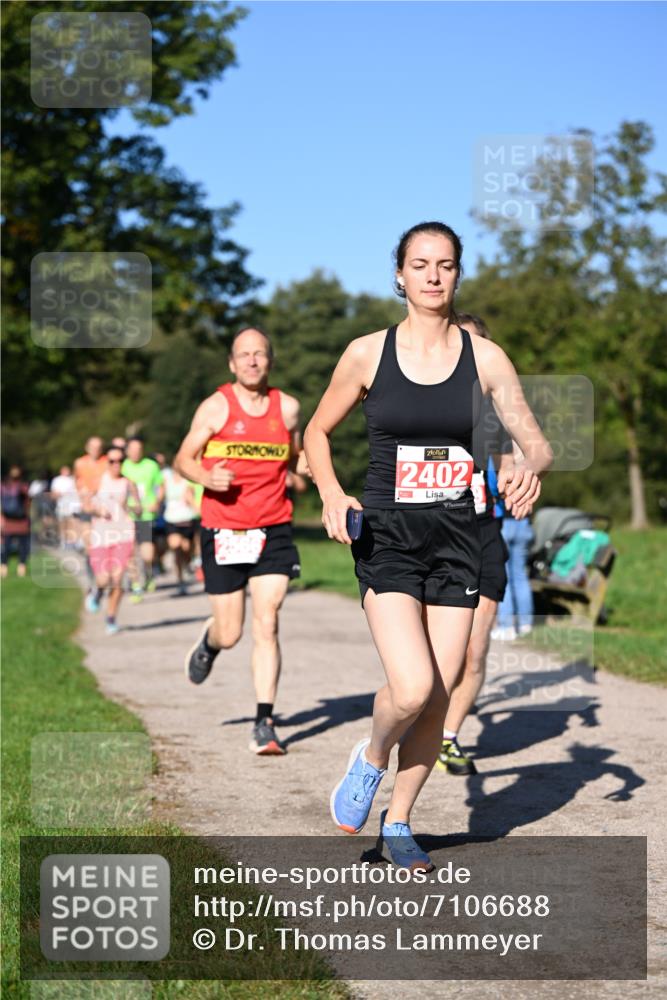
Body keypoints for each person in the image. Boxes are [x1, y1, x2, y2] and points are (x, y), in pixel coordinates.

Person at [304, 222, 552, 870]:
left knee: (439, 693)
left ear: (457, 274)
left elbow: (537, 442)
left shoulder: (486, 359)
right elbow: (315, 432)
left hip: (457, 538)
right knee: (411, 688)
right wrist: (330, 492)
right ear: (400, 275)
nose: (433, 276)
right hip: (388, 536)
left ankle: (398, 822)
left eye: (445, 264)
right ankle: (370, 757)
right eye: (420, 264)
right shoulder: (367, 353)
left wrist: (529, 467)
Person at [175, 327, 302, 755]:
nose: (252, 361)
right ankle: (211, 642)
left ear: (270, 361)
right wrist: (206, 476)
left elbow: (294, 454)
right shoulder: (216, 407)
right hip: (224, 528)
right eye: (244, 355)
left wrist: (304, 469)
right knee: (231, 632)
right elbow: (183, 459)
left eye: (259, 354)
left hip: (273, 527)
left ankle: (264, 721)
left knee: (268, 620)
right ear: (232, 363)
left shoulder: (288, 409)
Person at [437, 313, 531, 777]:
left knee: (475, 651)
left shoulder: (493, 413)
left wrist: (515, 476)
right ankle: (418, 717)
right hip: (435, 531)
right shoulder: (423, 404)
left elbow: (509, 456)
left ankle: (447, 737)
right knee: (437, 652)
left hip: (485, 531)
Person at [87, 445, 141, 633]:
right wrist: (98, 511)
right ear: (107, 462)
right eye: (112, 461)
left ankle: (111, 618)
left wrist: (132, 507)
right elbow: (86, 505)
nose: (116, 464)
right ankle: (97, 592)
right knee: (104, 579)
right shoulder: (98, 481)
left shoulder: (129, 483)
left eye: (120, 460)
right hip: (101, 535)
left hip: (123, 534)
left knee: (117, 579)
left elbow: (139, 508)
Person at [121, 437, 164, 599]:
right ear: (127, 451)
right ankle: (136, 585)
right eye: (132, 449)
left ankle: (148, 572)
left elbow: (161, 486)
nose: (135, 452)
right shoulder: (122, 466)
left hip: (146, 514)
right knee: (130, 551)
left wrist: (157, 502)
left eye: (138, 449)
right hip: (127, 515)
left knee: (147, 554)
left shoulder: (151, 465)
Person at [74, 436, 108, 607]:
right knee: (89, 548)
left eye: (99, 447)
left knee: (104, 546)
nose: (96, 450)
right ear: (87, 448)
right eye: (93, 447)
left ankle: (103, 579)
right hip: (87, 510)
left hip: (104, 511)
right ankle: (91, 581)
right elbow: (78, 483)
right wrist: (83, 494)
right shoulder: (80, 463)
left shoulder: (107, 462)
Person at [493, 507, 535, 640]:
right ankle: (525, 624)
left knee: (503, 576)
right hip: (523, 521)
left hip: (504, 522)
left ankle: (507, 627)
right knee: (520, 576)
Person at [162, 462, 198, 595]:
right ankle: (180, 580)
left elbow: (191, 496)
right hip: (171, 519)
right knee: (176, 546)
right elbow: (160, 495)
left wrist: (195, 506)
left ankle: (188, 564)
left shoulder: (188, 480)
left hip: (187, 519)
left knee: (186, 548)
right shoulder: (166, 479)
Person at [1, 465, 31, 578]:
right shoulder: (23, 487)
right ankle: (21, 568)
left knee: (6, 546)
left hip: (8, 521)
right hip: (21, 521)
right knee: (23, 546)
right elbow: (28, 503)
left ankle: (3, 568)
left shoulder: (4, 487)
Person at [50, 464, 81, 549]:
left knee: (72, 523)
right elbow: (54, 493)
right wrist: (60, 494)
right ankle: (63, 541)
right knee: (62, 524)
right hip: (61, 505)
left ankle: (71, 541)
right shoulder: (57, 480)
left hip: (71, 506)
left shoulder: (72, 480)